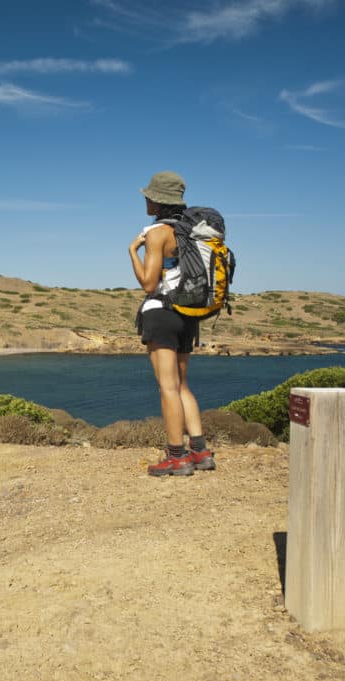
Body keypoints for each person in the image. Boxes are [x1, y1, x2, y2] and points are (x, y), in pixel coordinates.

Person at [128, 171, 215, 477]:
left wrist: (131, 252)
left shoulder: (156, 233)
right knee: (182, 385)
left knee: (167, 388)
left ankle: (176, 456)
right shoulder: (191, 231)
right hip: (188, 315)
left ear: (158, 201)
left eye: (149, 196)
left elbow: (149, 284)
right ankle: (200, 451)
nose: (146, 200)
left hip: (161, 314)